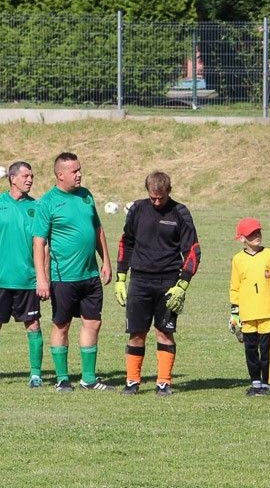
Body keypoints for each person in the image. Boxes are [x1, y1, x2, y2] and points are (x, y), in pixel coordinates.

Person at [114, 172, 200, 396]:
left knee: (164, 332)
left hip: (168, 282)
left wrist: (182, 284)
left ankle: (164, 382)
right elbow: (126, 243)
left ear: (169, 191)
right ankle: (132, 382)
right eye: (153, 198)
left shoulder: (180, 213)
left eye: (161, 198)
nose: (157, 202)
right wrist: (121, 277)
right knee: (136, 333)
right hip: (140, 281)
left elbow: (192, 251)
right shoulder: (137, 210)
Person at [32, 152, 111, 392]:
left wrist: (105, 261)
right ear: (60, 175)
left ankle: (88, 379)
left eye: (79, 170)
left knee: (93, 323)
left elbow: (97, 230)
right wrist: (42, 278)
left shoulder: (86, 196)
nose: (79, 174)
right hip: (63, 277)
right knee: (62, 324)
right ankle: (62, 378)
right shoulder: (47, 202)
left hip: (90, 275)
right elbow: (39, 242)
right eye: (74, 171)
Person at [0, 161, 45, 387]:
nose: (30, 179)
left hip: (27, 279)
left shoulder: (37, 207)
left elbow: (43, 245)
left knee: (33, 325)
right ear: (12, 178)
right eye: (25, 176)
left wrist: (43, 278)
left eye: (31, 176)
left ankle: (35, 375)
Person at [229, 217, 270, 396]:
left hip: (266, 311)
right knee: (250, 350)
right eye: (252, 234)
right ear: (242, 238)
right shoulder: (237, 259)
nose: (257, 236)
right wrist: (235, 311)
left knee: (266, 350)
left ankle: (267, 383)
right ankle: (255, 382)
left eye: (258, 232)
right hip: (247, 313)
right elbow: (235, 286)